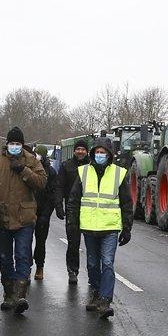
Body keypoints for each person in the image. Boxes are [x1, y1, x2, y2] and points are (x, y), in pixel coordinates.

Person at [0, 127, 47, 314]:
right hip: (1, 217)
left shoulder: (32, 161)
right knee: (5, 259)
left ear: (22, 144)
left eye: (18, 143)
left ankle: (20, 295)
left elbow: (41, 183)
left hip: (25, 218)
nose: (15, 146)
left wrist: (24, 170)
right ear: (7, 144)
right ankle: (8, 294)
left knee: (23, 255)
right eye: (12, 143)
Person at [65, 136, 132, 319]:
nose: (100, 155)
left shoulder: (119, 173)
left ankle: (105, 300)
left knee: (108, 262)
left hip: (110, 228)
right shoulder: (83, 172)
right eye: (97, 152)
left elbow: (126, 202)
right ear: (93, 153)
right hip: (89, 227)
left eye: (103, 152)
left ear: (109, 155)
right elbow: (74, 200)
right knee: (93, 263)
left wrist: (127, 227)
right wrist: (72, 221)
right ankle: (95, 291)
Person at [57, 140, 90, 284]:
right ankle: (72, 271)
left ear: (87, 151)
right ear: (74, 151)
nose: (81, 152)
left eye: (83, 149)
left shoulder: (92, 167)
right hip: (72, 210)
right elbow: (59, 186)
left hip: (90, 210)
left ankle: (93, 273)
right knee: (73, 243)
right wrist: (58, 205)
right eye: (78, 149)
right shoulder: (66, 166)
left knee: (92, 245)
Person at [31, 144, 61, 281]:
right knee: (25, 242)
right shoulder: (29, 169)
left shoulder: (51, 172)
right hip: (28, 212)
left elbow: (52, 195)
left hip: (43, 212)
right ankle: (26, 268)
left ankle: (39, 266)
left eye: (38, 155)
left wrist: (46, 215)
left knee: (40, 242)